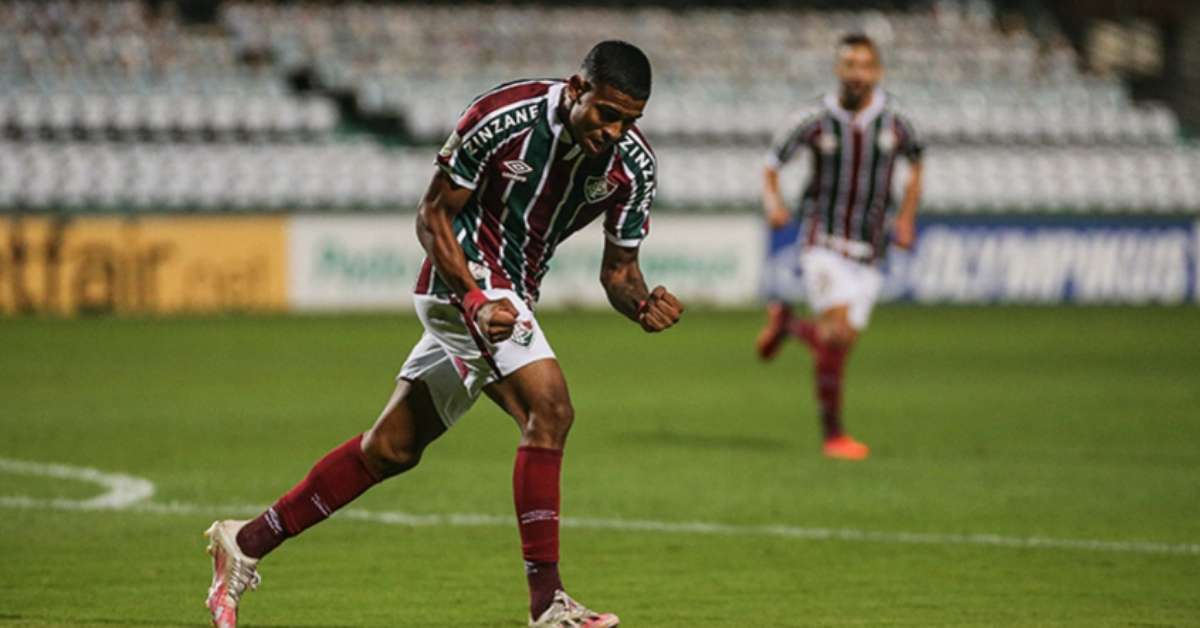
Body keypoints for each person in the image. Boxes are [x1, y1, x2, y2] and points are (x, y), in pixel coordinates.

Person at [203, 40, 682, 628]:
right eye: (607, 114)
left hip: (508, 303)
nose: (614, 131)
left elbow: (620, 273)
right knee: (550, 410)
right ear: (577, 88)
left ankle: (246, 542)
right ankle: (549, 604)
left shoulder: (632, 167)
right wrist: (476, 299)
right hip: (460, 285)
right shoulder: (503, 117)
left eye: (629, 120)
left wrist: (642, 304)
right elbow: (432, 215)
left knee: (391, 449)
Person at [756, 33, 924, 461]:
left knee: (839, 343)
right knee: (837, 332)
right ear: (838, 69)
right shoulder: (814, 118)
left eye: (864, 65)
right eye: (849, 65)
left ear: (877, 71)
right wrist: (774, 206)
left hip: (871, 249)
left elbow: (916, 161)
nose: (856, 74)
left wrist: (905, 218)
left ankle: (788, 325)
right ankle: (833, 436)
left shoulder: (896, 121)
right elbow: (772, 163)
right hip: (823, 239)